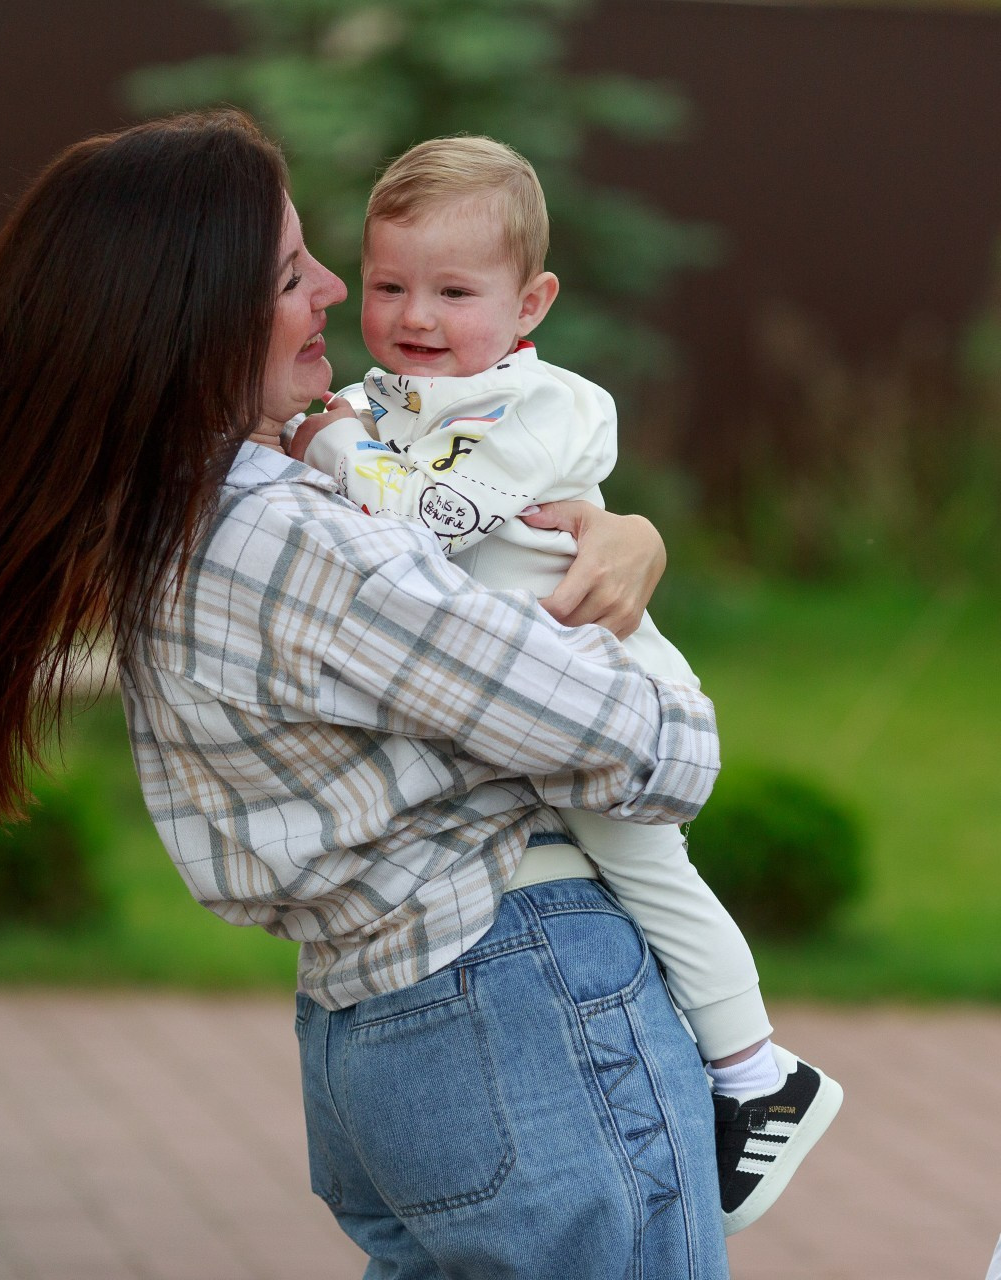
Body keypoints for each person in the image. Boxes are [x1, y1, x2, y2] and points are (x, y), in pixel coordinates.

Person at [0, 108, 730, 1277]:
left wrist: (621, 537)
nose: (335, 287)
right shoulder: (293, 541)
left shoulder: (172, 514)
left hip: (371, 1032)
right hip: (513, 996)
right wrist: (620, 591)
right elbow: (654, 746)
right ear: (198, 317)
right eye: (289, 272)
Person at [289, 134, 842, 1235]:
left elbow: (429, 518)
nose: (415, 316)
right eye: (391, 284)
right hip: (510, 711)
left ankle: (755, 1070)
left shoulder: (545, 407)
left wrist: (337, 445)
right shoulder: (381, 400)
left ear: (530, 298)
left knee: (646, 866)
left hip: (598, 684)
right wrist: (336, 433)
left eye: (454, 290)